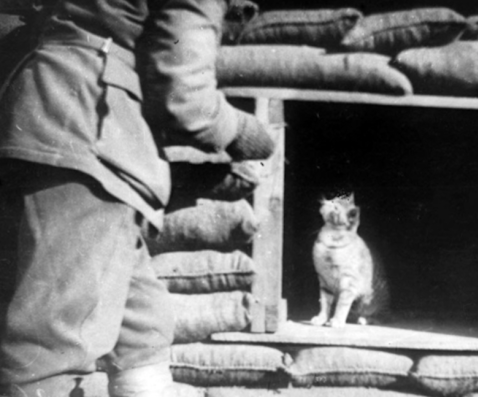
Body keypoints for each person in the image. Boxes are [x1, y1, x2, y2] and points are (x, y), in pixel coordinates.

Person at [0, 0, 274, 396]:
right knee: (48, 350)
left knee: (143, 327)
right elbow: (185, 97)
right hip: (86, 136)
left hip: (58, 121)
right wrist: (243, 131)